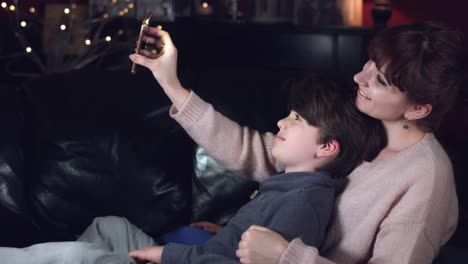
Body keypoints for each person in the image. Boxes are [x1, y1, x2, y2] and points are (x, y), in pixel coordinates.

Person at [128, 21, 465, 263]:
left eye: (378, 79)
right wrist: (170, 82)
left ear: (418, 108)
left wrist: (283, 255)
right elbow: (255, 152)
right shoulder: (368, 122)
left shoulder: (427, 179)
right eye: (369, 63)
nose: (359, 77)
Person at [126, 75, 383, 263]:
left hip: (191, 259)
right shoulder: (291, 185)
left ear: (326, 147)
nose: (281, 123)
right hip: (202, 250)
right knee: (109, 226)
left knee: (86, 252)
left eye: (297, 119)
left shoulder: (302, 204)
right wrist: (232, 231)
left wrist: (166, 255)